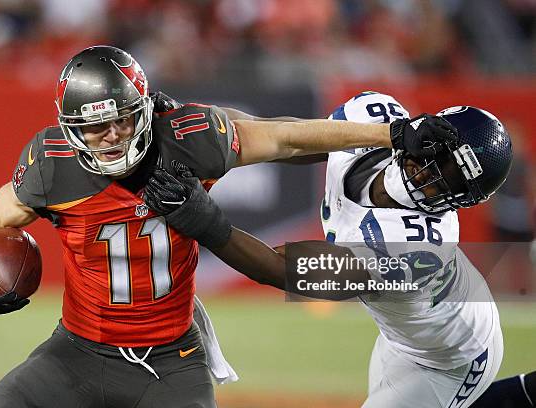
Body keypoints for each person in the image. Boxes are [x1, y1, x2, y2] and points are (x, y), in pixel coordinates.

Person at [0, 45, 455, 408]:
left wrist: (391, 133)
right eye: (93, 127)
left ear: (143, 110)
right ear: (70, 129)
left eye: (121, 121)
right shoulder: (50, 165)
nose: (109, 137)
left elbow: (284, 138)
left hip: (173, 360)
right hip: (77, 350)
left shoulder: (188, 137)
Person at [143, 92, 514, 407]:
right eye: (436, 156)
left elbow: (281, 268)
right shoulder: (377, 120)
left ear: (461, 200)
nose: (427, 175)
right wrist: (198, 124)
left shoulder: (419, 251)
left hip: (451, 358)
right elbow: (283, 137)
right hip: (406, 338)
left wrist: (204, 220)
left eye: (448, 181)